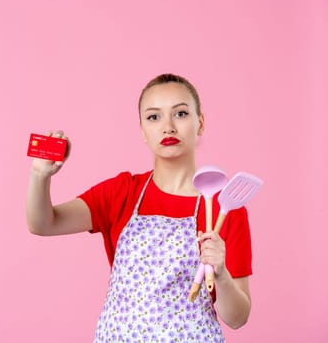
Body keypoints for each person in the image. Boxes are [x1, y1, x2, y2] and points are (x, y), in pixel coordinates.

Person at [26, 73, 252, 342]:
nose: (167, 127)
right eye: (154, 117)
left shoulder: (225, 208)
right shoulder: (121, 192)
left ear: (200, 123)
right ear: (143, 130)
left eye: (180, 113)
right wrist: (40, 176)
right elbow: (43, 223)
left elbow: (237, 318)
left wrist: (222, 274)